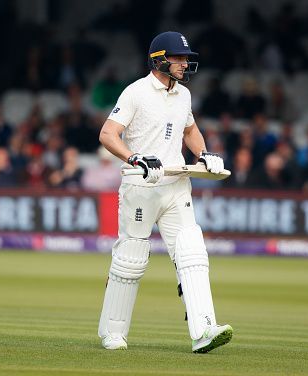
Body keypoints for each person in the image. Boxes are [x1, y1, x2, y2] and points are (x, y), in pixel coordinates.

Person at [97, 31, 233, 353]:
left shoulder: (183, 95)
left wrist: (203, 154)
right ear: (160, 59)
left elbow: (190, 129)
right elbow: (108, 133)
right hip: (141, 185)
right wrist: (134, 157)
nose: (185, 63)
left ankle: (204, 332)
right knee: (131, 257)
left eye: (186, 58)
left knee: (192, 252)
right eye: (179, 58)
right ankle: (113, 332)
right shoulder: (136, 92)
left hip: (176, 184)